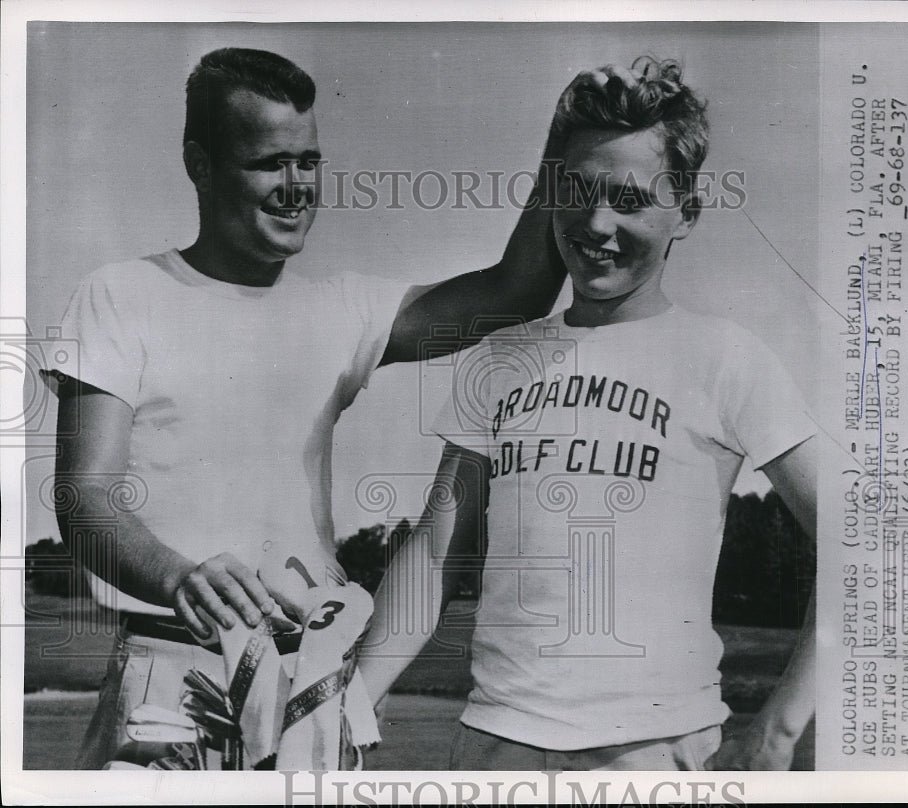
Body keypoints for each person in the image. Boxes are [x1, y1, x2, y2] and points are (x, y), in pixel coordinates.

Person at [47, 47, 566, 769]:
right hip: (168, 674)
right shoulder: (120, 294)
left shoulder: (340, 308)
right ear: (200, 164)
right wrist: (177, 576)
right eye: (269, 163)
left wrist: (566, 141)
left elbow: (515, 293)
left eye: (309, 162)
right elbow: (83, 500)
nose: (297, 187)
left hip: (314, 678)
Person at [359, 57, 817, 771]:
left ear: (686, 212)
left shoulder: (725, 357)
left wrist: (781, 728)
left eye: (630, 201)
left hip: (652, 752)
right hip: (494, 747)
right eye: (577, 193)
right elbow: (436, 553)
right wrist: (352, 698)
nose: (597, 224)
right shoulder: (498, 359)